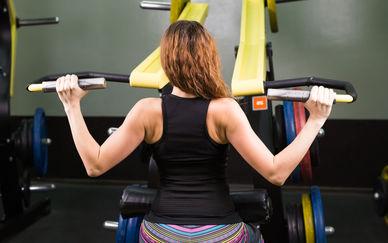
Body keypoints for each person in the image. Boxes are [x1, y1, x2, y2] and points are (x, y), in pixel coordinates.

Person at [56, 20, 335, 242]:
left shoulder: (146, 110)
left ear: (165, 63)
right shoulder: (225, 110)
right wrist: (315, 120)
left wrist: (72, 105)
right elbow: (276, 172)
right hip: (221, 232)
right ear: (209, 59)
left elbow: (95, 165)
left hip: (160, 234)